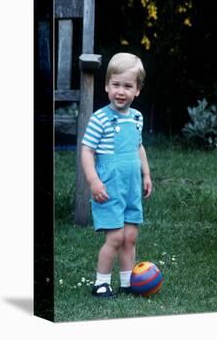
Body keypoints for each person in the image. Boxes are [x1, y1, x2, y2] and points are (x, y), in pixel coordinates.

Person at [81, 52, 153, 297]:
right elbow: (87, 150)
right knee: (115, 237)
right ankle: (101, 282)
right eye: (116, 85)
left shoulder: (136, 118)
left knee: (130, 236)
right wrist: (93, 181)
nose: (121, 91)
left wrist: (146, 175)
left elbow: (138, 147)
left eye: (127, 86)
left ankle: (127, 281)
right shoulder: (100, 118)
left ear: (137, 90)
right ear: (106, 86)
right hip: (109, 186)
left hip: (131, 186)